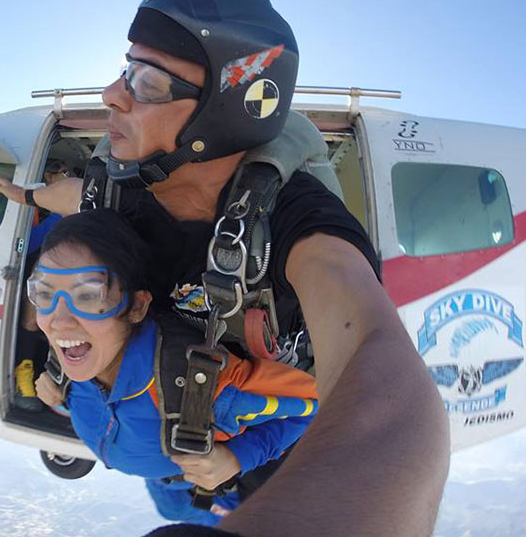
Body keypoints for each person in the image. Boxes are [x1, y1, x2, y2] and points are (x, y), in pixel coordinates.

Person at [0, 0, 449, 534]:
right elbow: (76, 195)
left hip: (252, 446)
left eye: (147, 83)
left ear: (222, 113)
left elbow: (388, 389)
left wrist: (241, 465)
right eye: (125, 70)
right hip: (161, 430)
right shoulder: (123, 186)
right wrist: (24, 195)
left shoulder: (297, 225)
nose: (112, 95)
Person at [30, 209, 318, 525]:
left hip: (213, 493)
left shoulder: (204, 386)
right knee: (171, 511)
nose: (58, 321)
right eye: (43, 294)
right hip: (165, 486)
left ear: (137, 306)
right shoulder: (75, 356)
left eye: (87, 296)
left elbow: (318, 403)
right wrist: (59, 390)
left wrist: (240, 457)